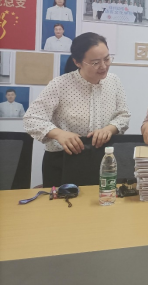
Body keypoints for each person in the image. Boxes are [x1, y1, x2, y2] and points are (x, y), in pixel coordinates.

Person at [24, 33, 131, 188]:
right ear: (77, 62)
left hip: (102, 158)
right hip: (63, 159)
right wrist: (59, 134)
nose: (103, 66)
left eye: (107, 59)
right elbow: (31, 119)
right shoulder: (60, 85)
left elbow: (123, 115)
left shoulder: (114, 81)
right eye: (95, 62)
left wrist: (109, 129)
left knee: (103, 200)